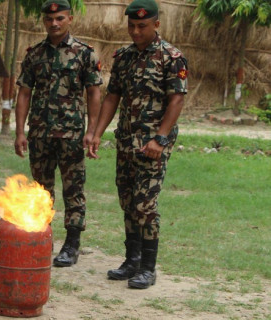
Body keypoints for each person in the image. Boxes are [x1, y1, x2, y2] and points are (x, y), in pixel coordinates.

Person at [87, 0, 188, 289]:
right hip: (126, 141)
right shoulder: (124, 57)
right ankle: (131, 261)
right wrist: (96, 132)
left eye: (142, 26)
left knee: (146, 204)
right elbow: (112, 97)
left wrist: (160, 138)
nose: (135, 31)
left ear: (156, 24)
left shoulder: (172, 57)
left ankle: (148, 267)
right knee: (128, 201)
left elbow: (176, 100)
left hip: (153, 144)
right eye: (131, 25)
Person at [14, 0, 102, 267]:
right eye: (50, 19)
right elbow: (24, 93)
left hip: (72, 135)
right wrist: (20, 132)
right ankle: (43, 238)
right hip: (40, 134)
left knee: (73, 190)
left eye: (60, 18)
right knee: (42, 190)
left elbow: (94, 93)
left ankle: (72, 245)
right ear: (44, 21)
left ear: (70, 19)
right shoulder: (34, 54)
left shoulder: (84, 53)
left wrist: (92, 131)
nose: (54, 23)